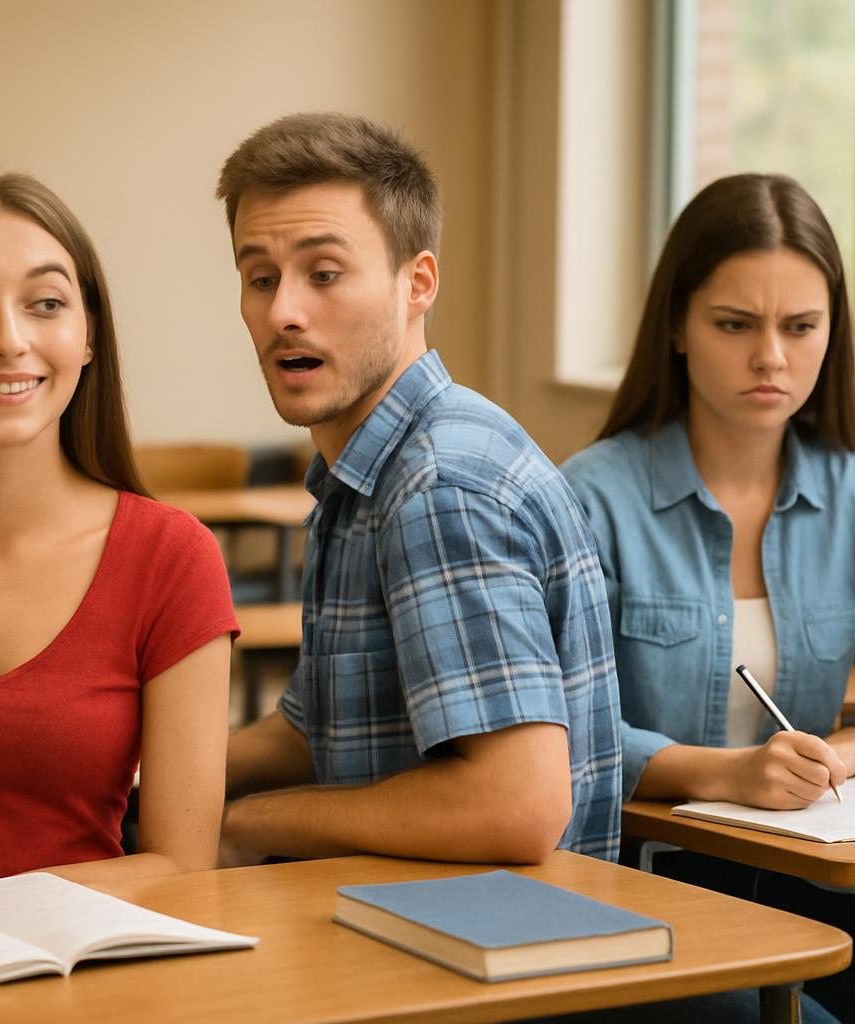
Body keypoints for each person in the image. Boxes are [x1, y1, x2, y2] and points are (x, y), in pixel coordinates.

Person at [215, 112, 621, 867]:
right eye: (260, 278)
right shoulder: (370, 471)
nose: (283, 313)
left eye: (324, 274)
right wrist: (142, 773)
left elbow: (516, 807)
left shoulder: (439, 485)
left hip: (503, 966)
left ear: (418, 284)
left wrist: (251, 824)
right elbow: (322, 731)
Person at [0, 173, 238, 930]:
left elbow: (185, 867)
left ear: (88, 336)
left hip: (85, 983)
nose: (8, 338)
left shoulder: (173, 558)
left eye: (46, 303)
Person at [561, 172, 855, 1022]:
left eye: (800, 327)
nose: (771, 357)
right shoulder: (591, 498)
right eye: (735, 325)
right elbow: (564, 739)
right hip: (642, 897)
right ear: (677, 325)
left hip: (812, 884)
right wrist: (732, 774)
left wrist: (844, 754)